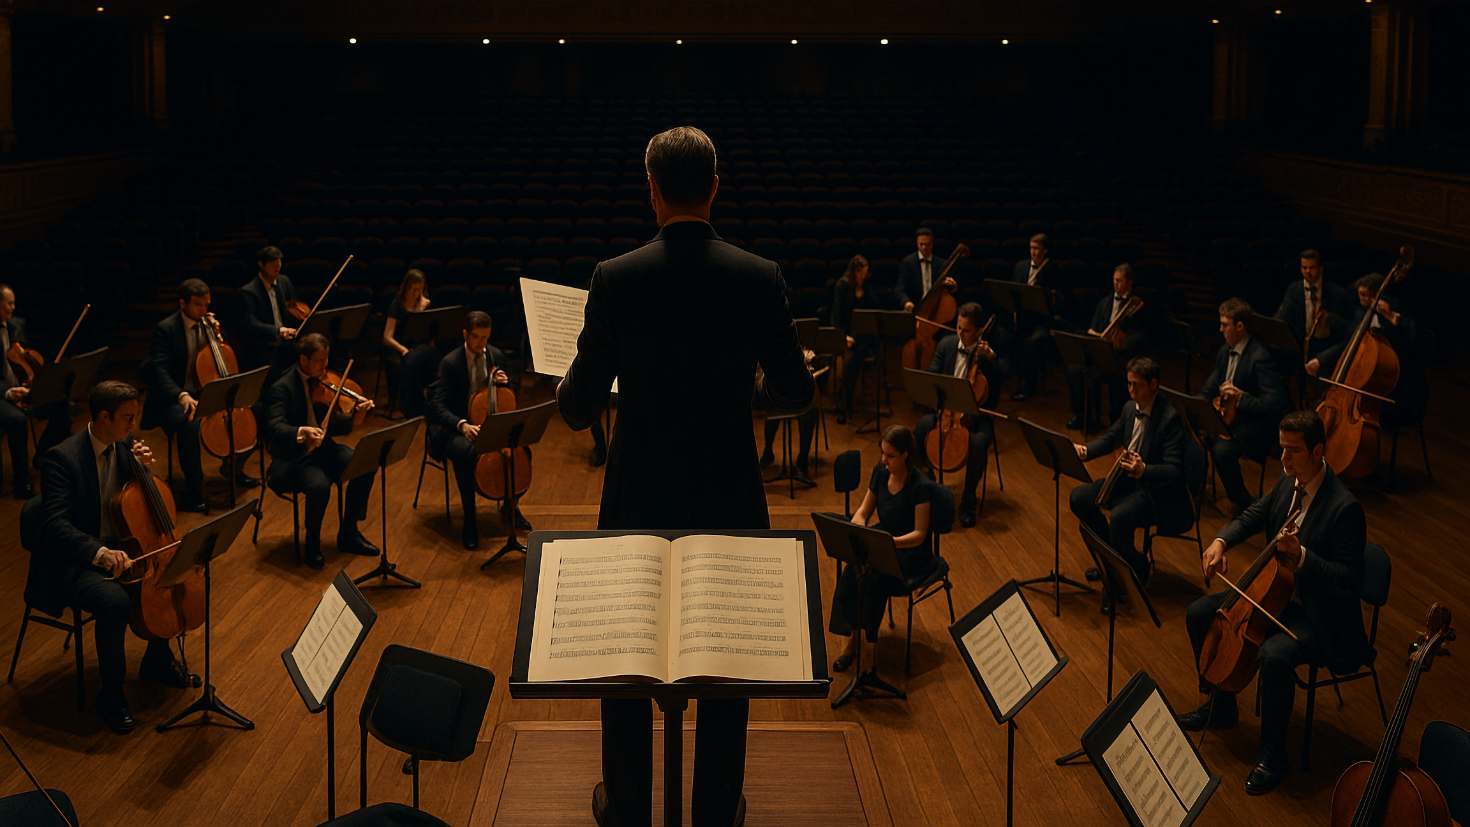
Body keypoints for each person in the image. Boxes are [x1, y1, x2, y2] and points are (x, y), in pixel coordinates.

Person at [557, 126, 814, 827]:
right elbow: (795, 392)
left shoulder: (615, 277)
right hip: (730, 493)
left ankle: (628, 806)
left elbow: (577, 408)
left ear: (652, 191)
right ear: (714, 189)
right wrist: (745, 391)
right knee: (726, 663)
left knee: (628, 659)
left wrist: (569, 379)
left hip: (637, 495)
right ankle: (715, 808)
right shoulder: (759, 276)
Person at [1177, 410, 1367, 796]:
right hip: (1274, 594)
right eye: (1281, 449)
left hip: (1318, 612)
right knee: (1199, 613)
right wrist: (1221, 541)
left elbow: (1348, 580)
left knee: (1274, 655)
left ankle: (1273, 753)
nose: (1283, 459)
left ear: (1317, 451)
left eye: (1292, 451)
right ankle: (1222, 704)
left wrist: (1303, 558)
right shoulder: (1287, 480)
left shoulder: (1345, 508)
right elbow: (1256, 513)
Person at [37, 381, 192, 732]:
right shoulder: (61, 458)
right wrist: (99, 552)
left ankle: (157, 659)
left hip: (123, 548)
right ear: (103, 417)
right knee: (114, 601)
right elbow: (54, 526)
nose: (134, 424)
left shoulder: (123, 446)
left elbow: (137, 505)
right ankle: (111, 694)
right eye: (128, 417)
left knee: (167, 573)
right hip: (75, 560)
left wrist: (144, 471)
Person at [1069, 357, 1192, 602]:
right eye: (1129, 384)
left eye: (1137, 385)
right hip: (1128, 481)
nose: (1131, 390)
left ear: (1153, 384)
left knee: (1120, 516)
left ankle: (1120, 577)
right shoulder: (1129, 408)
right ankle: (1121, 563)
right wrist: (1085, 450)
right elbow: (1111, 438)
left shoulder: (1170, 418)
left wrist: (1144, 469)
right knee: (1079, 498)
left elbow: (1175, 471)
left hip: (1157, 492)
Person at [141, 278, 259, 512]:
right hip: (173, 398)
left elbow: (223, 360)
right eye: (198, 304)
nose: (204, 310)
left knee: (257, 409)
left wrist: (217, 336)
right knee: (190, 425)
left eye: (206, 304)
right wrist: (181, 395)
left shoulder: (208, 325)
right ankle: (194, 492)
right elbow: (158, 372)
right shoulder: (166, 329)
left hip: (205, 391)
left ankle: (233, 468)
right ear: (182, 303)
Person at [262, 333, 379, 568]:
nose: (325, 366)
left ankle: (349, 531)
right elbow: (274, 426)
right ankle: (312, 544)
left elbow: (333, 424)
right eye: (319, 361)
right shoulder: (281, 387)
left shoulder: (322, 383)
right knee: (319, 486)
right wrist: (301, 431)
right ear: (303, 360)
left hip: (323, 449)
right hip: (295, 456)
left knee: (364, 463)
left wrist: (356, 416)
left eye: (326, 360)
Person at [828, 424, 934, 673]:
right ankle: (853, 641)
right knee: (853, 569)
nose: (883, 459)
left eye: (890, 455)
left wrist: (887, 542)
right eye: (882, 453)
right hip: (884, 538)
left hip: (910, 550)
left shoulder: (920, 484)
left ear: (905, 455)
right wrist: (860, 529)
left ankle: (868, 656)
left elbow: (920, 535)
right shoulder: (880, 471)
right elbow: (863, 511)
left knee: (874, 579)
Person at [426, 310, 526, 550]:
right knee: (466, 455)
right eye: (476, 337)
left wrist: (504, 383)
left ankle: (510, 507)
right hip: (457, 426)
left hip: (489, 422)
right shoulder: (450, 363)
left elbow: (507, 396)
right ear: (465, 334)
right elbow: (436, 406)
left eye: (485, 338)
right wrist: (462, 425)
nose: (481, 344)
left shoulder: (496, 356)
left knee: (523, 451)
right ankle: (469, 521)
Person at [913, 301, 1008, 527]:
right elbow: (933, 375)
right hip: (946, 412)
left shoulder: (987, 354)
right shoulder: (946, 345)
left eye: (966, 330)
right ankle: (927, 480)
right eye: (958, 327)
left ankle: (968, 500)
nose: (960, 333)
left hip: (977, 416)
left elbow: (998, 384)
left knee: (978, 443)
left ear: (978, 331)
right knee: (920, 429)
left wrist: (990, 359)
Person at [1199, 298, 1288, 515]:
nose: (1220, 329)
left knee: (1222, 450)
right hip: (1230, 419)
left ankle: (1246, 504)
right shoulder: (1224, 351)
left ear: (1240, 326)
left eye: (1225, 325)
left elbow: (1274, 405)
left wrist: (1240, 398)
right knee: (1195, 434)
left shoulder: (1260, 357)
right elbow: (1211, 386)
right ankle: (1193, 491)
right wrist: (1196, 406)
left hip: (1254, 425)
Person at [0, 284, 73, 497]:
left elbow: (25, 358)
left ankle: (45, 456)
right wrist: (9, 392)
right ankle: (22, 482)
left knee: (62, 405)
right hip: (2, 394)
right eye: (9, 303)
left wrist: (29, 381)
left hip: (21, 387)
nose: (13, 307)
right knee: (17, 420)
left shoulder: (15, 325)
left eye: (14, 302)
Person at [1066, 264, 1150, 430]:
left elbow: (1140, 335)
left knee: (1117, 377)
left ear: (1129, 283)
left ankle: (1117, 421)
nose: (1115, 284)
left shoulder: (1136, 307)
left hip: (1120, 357)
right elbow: (1092, 329)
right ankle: (1082, 416)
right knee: (1074, 369)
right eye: (1114, 280)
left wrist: (1123, 340)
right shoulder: (1105, 302)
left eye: (1119, 281)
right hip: (1100, 353)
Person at [1274, 249, 1348, 365]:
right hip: (1298, 351)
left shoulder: (1336, 293)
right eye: (1304, 268)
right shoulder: (1293, 290)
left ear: (1320, 268)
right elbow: (1284, 317)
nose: (1308, 271)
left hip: (1324, 353)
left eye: (1312, 267)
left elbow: (1344, 329)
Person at [830, 254, 880, 424]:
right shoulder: (842, 286)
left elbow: (874, 310)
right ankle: (845, 404)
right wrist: (844, 336)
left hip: (864, 337)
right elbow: (837, 315)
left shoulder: (867, 287)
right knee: (851, 361)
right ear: (854, 272)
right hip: (847, 336)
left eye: (865, 273)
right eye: (861, 273)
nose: (864, 276)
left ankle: (844, 402)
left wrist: (864, 290)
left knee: (855, 357)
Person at [1007, 234, 1057, 402]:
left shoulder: (1050, 270)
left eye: (1037, 249)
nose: (1033, 252)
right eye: (1031, 248)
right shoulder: (1021, 266)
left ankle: (1029, 387)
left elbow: (1053, 302)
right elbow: (1013, 291)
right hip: (1022, 319)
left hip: (1041, 322)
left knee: (1031, 344)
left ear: (1045, 250)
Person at [238, 246, 299, 376]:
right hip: (265, 344)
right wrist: (278, 331)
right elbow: (251, 324)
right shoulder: (248, 292)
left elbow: (294, 307)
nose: (278, 267)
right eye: (273, 263)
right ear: (261, 265)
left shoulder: (284, 281)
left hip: (287, 342)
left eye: (279, 262)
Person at [381, 268, 432, 413]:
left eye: (420, 290)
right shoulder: (397, 304)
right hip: (400, 348)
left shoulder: (426, 303)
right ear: (407, 288)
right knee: (411, 361)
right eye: (414, 290)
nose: (417, 293)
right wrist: (403, 350)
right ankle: (410, 403)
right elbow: (387, 337)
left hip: (419, 346)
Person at [894, 228, 954, 313]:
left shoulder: (941, 264)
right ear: (917, 243)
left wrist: (951, 285)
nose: (924, 248)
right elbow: (900, 288)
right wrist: (907, 302)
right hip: (916, 308)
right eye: (921, 244)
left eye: (927, 244)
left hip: (936, 309)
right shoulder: (908, 263)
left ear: (932, 244)